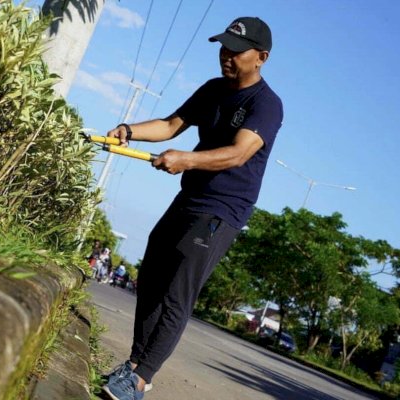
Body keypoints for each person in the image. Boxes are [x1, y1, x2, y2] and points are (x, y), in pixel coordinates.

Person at [101, 17, 283, 400]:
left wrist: (187, 159)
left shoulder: (265, 104)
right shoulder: (214, 89)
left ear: (261, 57)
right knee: (150, 275)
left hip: (222, 209)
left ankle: (140, 379)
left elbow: (238, 153)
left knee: (177, 291)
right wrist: (128, 130)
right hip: (190, 197)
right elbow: (170, 125)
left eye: (236, 51)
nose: (227, 57)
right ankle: (134, 363)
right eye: (223, 48)